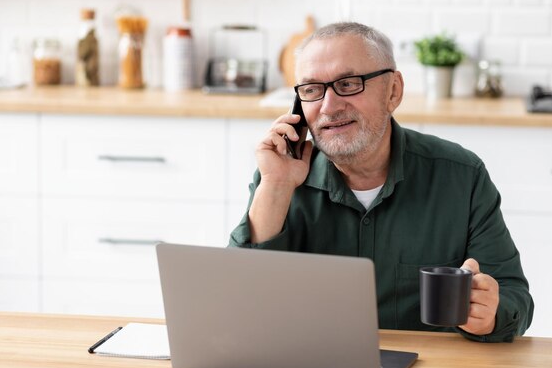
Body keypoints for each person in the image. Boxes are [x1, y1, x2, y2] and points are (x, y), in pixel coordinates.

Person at [229, 22, 534, 343]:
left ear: (393, 91)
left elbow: (515, 298)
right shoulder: (279, 175)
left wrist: (490, 314)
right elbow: (237, 308)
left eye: (348, 84)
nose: (329, 107)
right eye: (311, 90)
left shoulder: (462, 175)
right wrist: (275, 187)